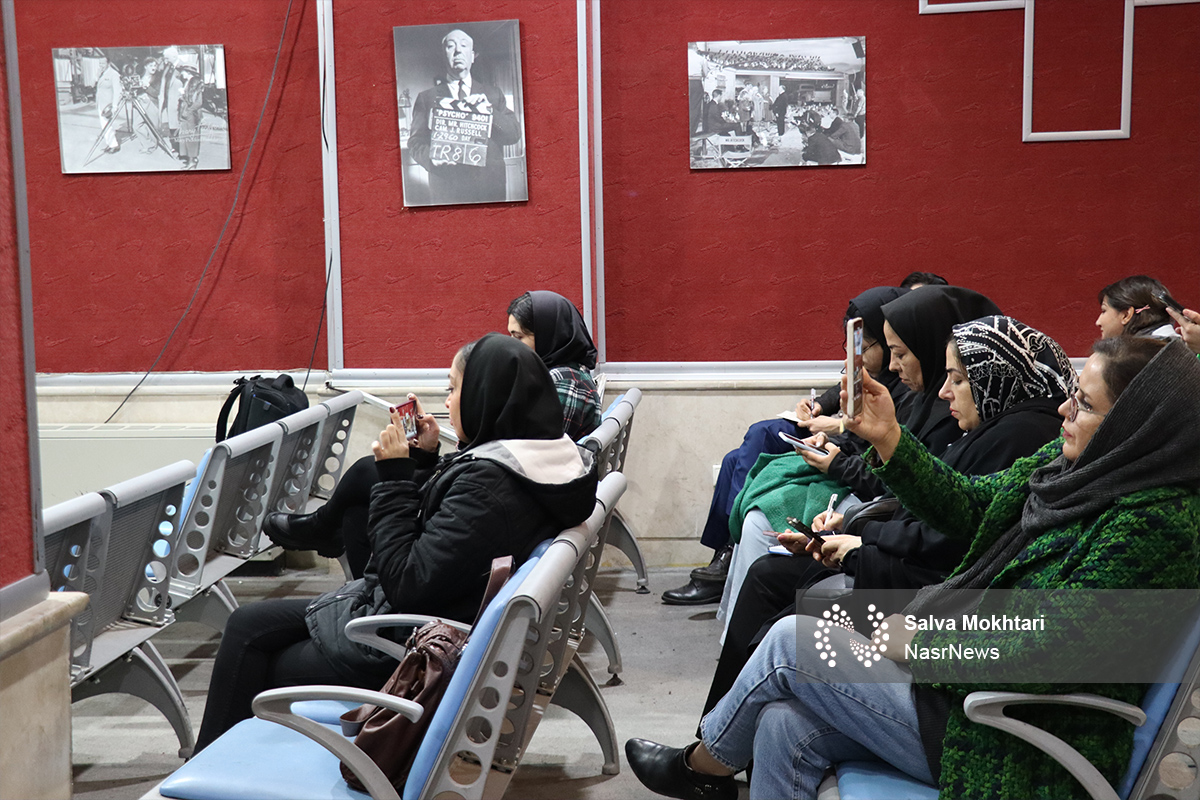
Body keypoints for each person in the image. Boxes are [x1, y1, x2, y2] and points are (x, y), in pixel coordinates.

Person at [626, 336, 1200, 800]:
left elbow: (1056, 647)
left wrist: (925, 641)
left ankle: (699, 767)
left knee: (789, 643)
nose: (1063, 410)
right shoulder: (1070, 468)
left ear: (1137, 428)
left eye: (1086, 405)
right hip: (961, 686)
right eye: (1073, 393)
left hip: (1017, 726)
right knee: (781, 725)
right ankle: (707, 768)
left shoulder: (1154, 524)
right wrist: (891, 440)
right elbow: (971, 504)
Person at [195, 334, 598, 752]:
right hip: (431, 622)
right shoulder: (536, 462)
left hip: (413, 646)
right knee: (247, 624)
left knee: (254, 656)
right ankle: (213, 763)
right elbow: (449, 534)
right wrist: (423, 459)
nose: (447, 402)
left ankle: (209, 768)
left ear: (484, 397)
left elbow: (409, 581)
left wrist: (393, 478)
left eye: (453, 388)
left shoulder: (490, 489)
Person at [700, 315, 1072, 719]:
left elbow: (952, 542)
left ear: (993, 378)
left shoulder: (1021, 437)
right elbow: (953, 508)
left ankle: (714, 737)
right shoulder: (1005, 430)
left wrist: (859, 545)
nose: (1067, 407)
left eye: (958, 379)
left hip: (933, 609)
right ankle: (718, 737)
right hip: (926, 587)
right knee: (780, 710)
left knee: (784, 636)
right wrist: (857, 528)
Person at [661, 286, 909, 606]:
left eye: (863, 343)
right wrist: (818, 407)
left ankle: (729, 551)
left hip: (847, 461)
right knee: (735, 459)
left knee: (760, 440)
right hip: (842, 450)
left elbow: (881, 459)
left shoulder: (906, 390)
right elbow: (848, 390)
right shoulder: (879, 372)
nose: (854, 353)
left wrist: (835, 432)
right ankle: (725, 552)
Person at [406, 28, 522, 205]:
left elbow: (513, 135)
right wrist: (431, 158)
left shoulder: (493, 94)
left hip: (490, 188)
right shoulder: (426, 98)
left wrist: (490, 112)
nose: (458, 50)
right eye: (450, 46)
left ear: (473, 55)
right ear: (443, 55)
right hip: (447, 190)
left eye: (464, 45)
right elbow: (415, 143)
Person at [505, 290, 603, 441]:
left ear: (546, 336)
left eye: (519, 337)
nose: (511, 345)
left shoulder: (565, 383)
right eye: (510, 336)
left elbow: (539, 446)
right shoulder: (555, 373)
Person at [1095, 275, 1182, 339]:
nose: (1098, 322)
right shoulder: (1181, 347)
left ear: (1126, 315)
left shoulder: (1137, 355)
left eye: (1104, 311)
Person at [94, 52, 123, 154]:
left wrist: (115, 106)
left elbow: (117, 91)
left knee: (107, 125)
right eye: (100, 63)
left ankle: (114, 145)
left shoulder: (114, 74)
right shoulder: (101, 73)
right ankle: (110, 143)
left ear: (108, 63)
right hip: (100, 103)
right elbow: (95, 85)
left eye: (103, 63)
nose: (101, 65)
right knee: (104, 125)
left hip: (108, 105)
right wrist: (97, 76)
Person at [176, 67, 203, 169]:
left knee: (191, 137)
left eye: (183, 71)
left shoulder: (194, 83)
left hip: (190, 114)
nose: (181, 73)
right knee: (186, 136)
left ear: (188, 72)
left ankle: (192, 162)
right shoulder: (189, 82)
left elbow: (198, 102)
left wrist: (188, 111)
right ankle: (190, 160)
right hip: (185, 113)